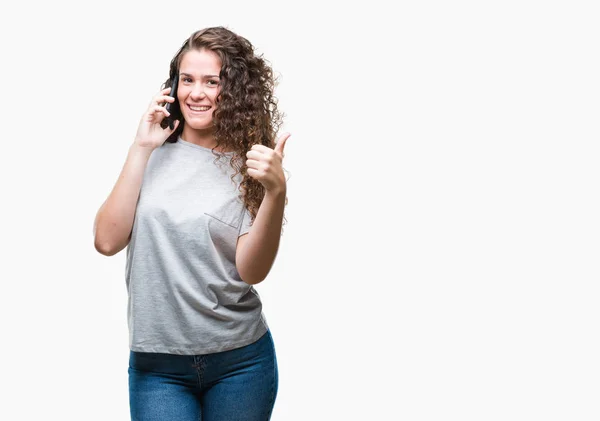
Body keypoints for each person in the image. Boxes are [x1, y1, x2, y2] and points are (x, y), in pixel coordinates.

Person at [93, 26, 289, 421]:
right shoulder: (151, 152)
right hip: (158, 367)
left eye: (211, 81)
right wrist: (140, 147)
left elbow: (252, 270)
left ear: (233, 90)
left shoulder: (252, 162)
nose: (195, 93)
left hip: (240, 363)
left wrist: (275, 193)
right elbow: (106, 241)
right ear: (173, 84)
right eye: (187, 79)